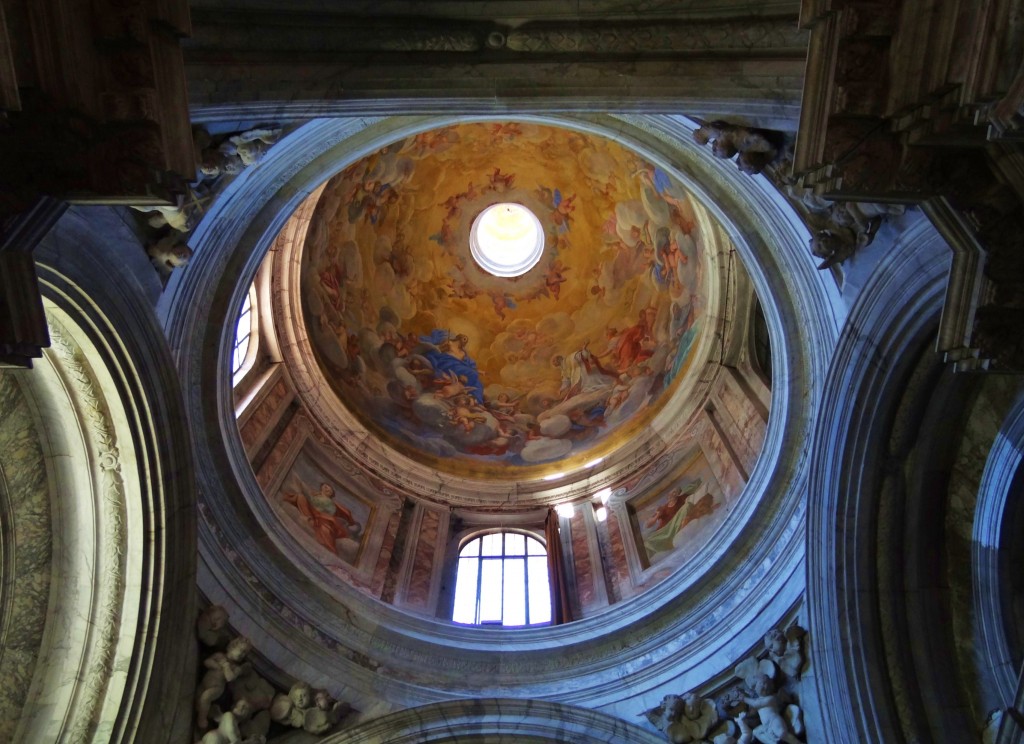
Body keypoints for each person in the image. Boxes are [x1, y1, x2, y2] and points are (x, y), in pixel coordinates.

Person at [283, 482, 359, 557]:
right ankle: (309, 518)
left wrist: (321, 512)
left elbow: (334, 512)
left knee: (326, 527)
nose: (328, 489)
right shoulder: (315, 496)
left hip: (322, 517)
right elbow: (309, 500)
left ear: (332, 494)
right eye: (326, 487)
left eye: (330, 490)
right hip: (311, 512)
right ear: (321, 489)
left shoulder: (332, 503)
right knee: (300, 497)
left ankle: (330, 549)